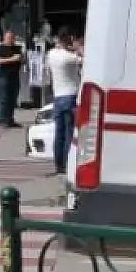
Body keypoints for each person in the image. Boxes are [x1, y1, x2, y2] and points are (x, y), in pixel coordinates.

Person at [47, 29, 83, 176]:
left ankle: (58, 165)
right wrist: (77, 48)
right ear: (69, 39)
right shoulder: (71, 57)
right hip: (71, 95)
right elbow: (85, 59)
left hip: (58, 97)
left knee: (59, 133)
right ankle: (68, 162)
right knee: (69, 132)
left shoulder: (52, 54)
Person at [0, 31, 25, 127]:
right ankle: (2, 120)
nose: (10, 39)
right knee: (4, 99)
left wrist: (21, 58)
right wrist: (12, 59)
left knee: (13, 99)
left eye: (12, 38)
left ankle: (10, 119)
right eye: (8, 38)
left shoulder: (17, 48)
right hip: (3, 76)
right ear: (5, 38)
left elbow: (22, 61)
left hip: (14, 76)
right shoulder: (0, 48)